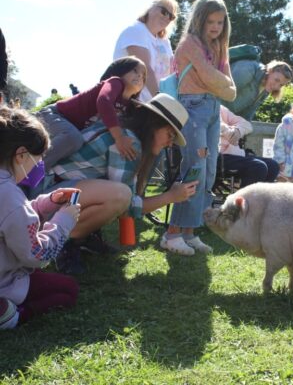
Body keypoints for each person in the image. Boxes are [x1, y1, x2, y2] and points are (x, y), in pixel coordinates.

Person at [38, 93, 197, 274]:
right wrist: (171, 196)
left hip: (54, 194)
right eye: (170, 134)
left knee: (119, 194)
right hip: (49, 199)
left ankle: (81, 237)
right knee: (120, 196)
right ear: (154, 124)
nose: (170, 144)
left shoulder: (126, 133)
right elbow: (128, 206)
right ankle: (66, 242)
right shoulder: (130, 143)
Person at [161, 0, 236, 256]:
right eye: (210, 22)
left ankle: (189, 232)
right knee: (194, 168)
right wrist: (217, 82)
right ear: (199, 21)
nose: (216, 27)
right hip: (192, 110)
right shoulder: (190, 44)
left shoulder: (219, 46)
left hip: (213, 110)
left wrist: (218, 82)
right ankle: (172, 233)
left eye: (220, 22)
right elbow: (213, 78)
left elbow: (229, 88)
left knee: (209, 170)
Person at [0, 106, 80, 330]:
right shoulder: (10, 195)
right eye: (38, 159)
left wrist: (46, 204)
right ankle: (14, 314)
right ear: (21, 154)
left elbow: (12, 220)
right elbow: (36, 255)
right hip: (4, 281)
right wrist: (63, 221)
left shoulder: (7, 192)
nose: (39, 166)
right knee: (68, 290)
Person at [36, 56, 146, 169]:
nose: (139, 76)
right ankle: (31, 172)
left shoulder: (128, 106)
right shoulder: (115, 82)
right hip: (54, 115)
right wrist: (119, 137)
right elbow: (104, 101)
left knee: (76, 145)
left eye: (143, 76)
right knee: (73, 139)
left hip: (69, 126)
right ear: (120, 70)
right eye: (135, 70)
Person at [113, 0, 178, 102]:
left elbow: (172, 73)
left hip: (153, 106)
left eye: (171, 16)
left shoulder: (164, 42)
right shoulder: (136, 30)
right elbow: (144, 69)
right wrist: (161, 101)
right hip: (131, 103)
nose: (167, 17)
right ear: (151, 8)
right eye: (164, 11)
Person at [218, 105, 279, 187]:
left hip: (234, 154)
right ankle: (242, 199)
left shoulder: (219, 108)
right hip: (216, 156)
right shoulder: (198, 107)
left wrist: (238, 131)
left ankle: (261, 199)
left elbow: (247, 125)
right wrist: (227, 131)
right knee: (258, 167)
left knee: (273, 165)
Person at [222, 59, 293, 121]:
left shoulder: (266, 89)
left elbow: (249, 112)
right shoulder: (248, 69)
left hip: (225, 117)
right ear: (270, 71)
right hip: (214, 109)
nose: (276, 86)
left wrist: (240, 128)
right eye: (276, 80)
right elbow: (222, 89)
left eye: (281, 85)